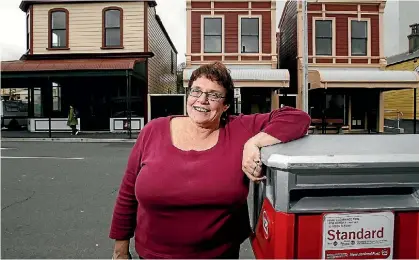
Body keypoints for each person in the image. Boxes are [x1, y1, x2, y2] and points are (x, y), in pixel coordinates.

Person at [109, 61, 311, 259]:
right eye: (196, 91)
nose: (202, 100)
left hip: (220, 254)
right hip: (153, 255)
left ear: (225, 106)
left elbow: (297, 118)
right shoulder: (154, 130)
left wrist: (254, 143)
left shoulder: (238, 128)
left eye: (214, 95)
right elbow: (128, 193)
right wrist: (120, 250)